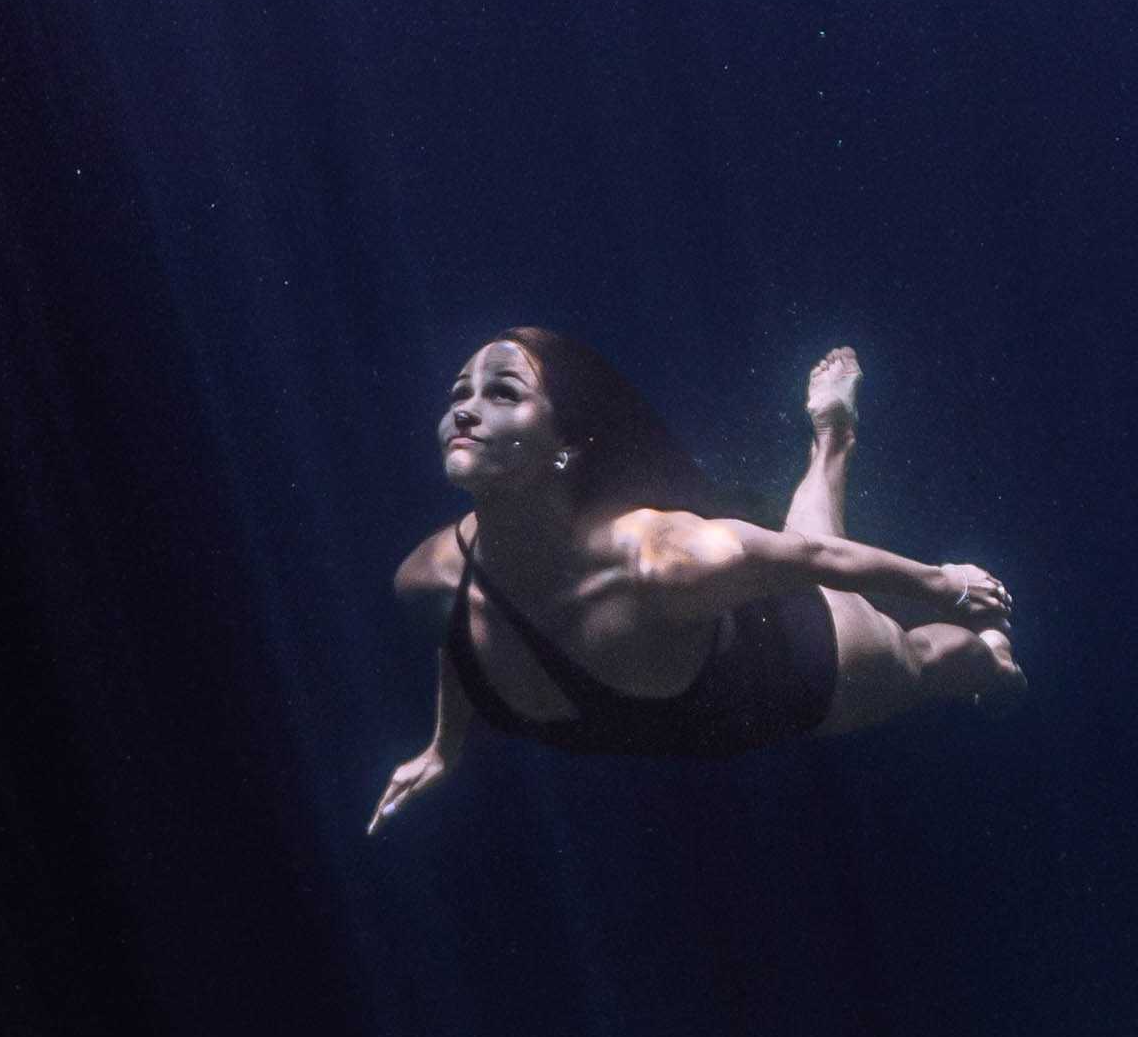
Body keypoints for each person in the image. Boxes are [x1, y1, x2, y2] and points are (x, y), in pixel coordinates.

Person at [369, 331, 1022, 830]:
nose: (466, 411)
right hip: (695, 703)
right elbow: (458, 638)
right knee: (800, 547)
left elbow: (814, 560)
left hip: (794, 680)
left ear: (559, 442)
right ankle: (831, 440)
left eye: (502, 393)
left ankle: (992, 658)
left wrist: (945, 586)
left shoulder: (661, 556)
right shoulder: (428, 578)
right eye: (458, 393)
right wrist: (443, 747)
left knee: (913, 660)